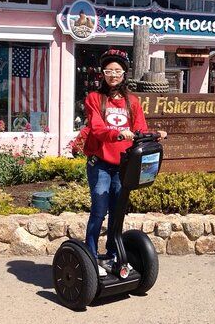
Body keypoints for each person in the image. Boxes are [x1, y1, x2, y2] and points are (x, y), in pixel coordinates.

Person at [83, 49, 167, 277]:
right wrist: (119, 134)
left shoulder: (132, 101)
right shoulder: (94, 98)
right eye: (109, 71)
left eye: (117, 71)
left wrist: (153, 134)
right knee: (99, 211)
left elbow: (139, 128)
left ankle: (112, 255)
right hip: (100, 163)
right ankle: (90, 258)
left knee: (117, 212)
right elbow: (98, 128)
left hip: (123, 165)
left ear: (124, 74)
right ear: (103, 74)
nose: (113, 75)